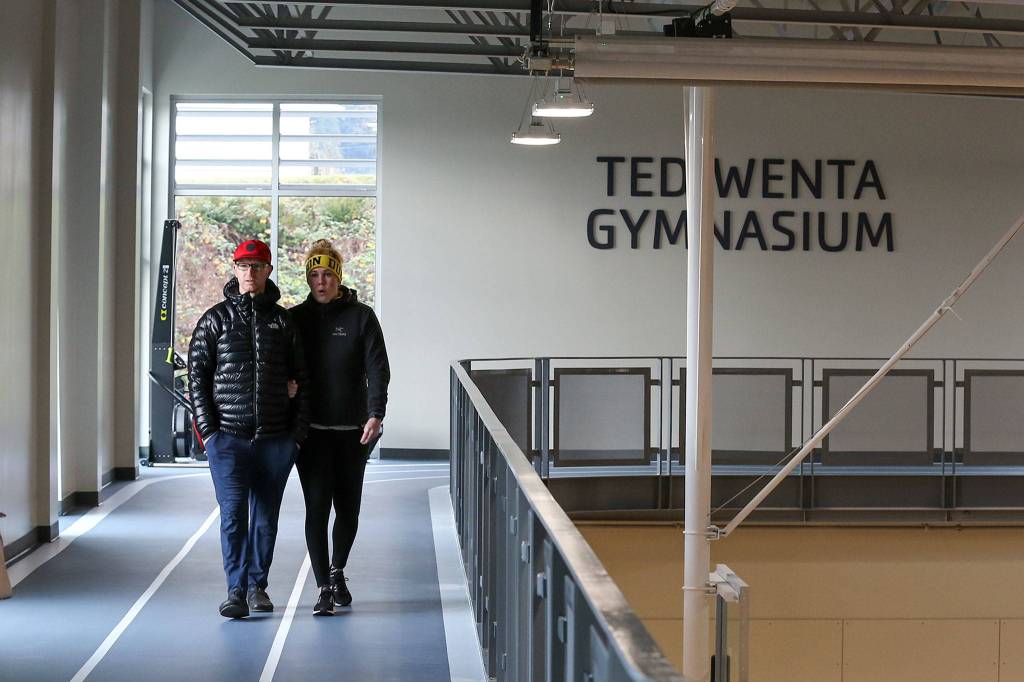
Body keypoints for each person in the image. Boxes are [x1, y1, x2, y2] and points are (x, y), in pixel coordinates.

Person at [189, 238, 309, 619]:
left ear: (268, 271)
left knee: (265, 519)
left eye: (257, 266)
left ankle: (259, 585)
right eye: (244, 266)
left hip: (275, 441)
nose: (250, 273)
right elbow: (196, 378)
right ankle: (235, 590)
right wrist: (209, 433)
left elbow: (303, 380)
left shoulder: (283, 322)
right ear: (235, 269)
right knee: (233, 516)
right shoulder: (214, 320)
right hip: (228, 441)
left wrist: (296, 437)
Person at [290, 239, 390, 616]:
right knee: (316, 508)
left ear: (338, 276)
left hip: (352, 433)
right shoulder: (295, 319)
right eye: (314, 275)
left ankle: (337, 570)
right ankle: (323, 587)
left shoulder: (361, 317)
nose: (320, 282)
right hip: (311, 433)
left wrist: (375, 413)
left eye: (327, 274)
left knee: (348, 508)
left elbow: (378, 368)